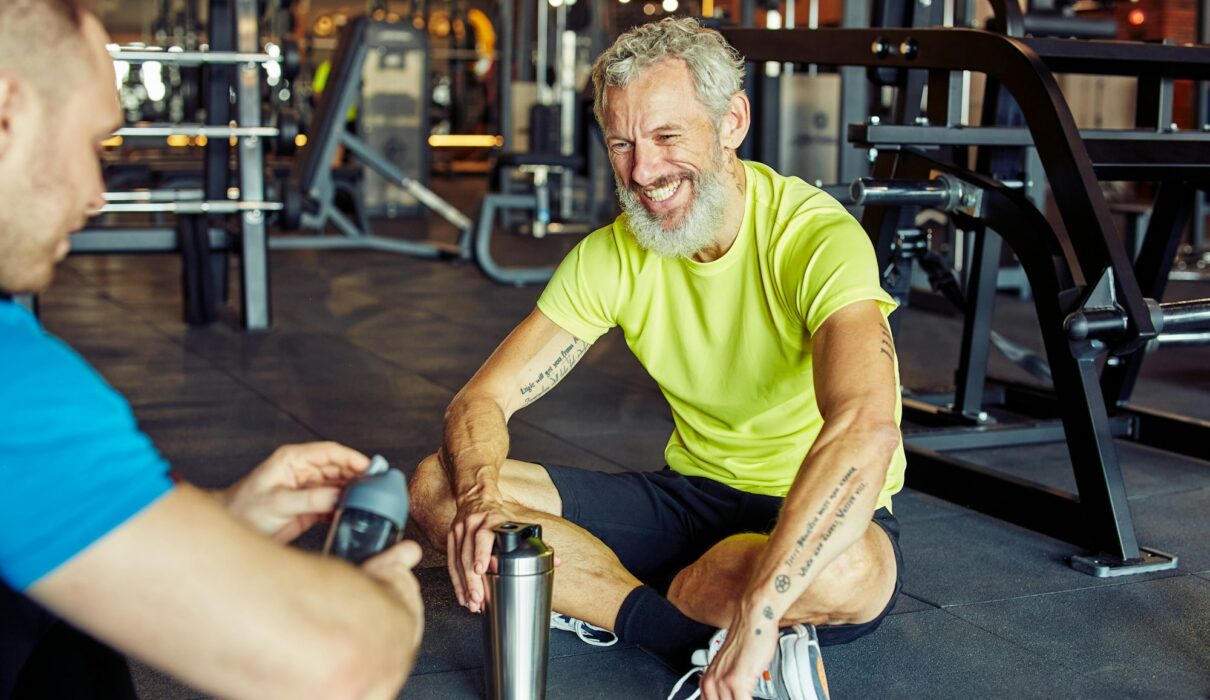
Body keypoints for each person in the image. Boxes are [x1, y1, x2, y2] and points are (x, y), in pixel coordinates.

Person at [410, 15, 907, 700]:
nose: (643, 171)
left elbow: (865, 427)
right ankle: (678, 631)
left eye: (668, 136)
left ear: (731, 121)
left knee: (851, 574)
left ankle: (629, 594)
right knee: (437, 487)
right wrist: (478, 501)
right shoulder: (613, 254)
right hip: (686, 499)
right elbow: (481, 400)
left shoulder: (814, 238)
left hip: (808, 505)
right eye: (622, 143)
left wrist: (761, 609)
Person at [0, 2, 423, 698]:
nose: (98, 194)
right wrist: (381, 602)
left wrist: (220, 524)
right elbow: (338, 663)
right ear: (10, 113)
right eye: (92, 145)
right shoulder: (15, 384)